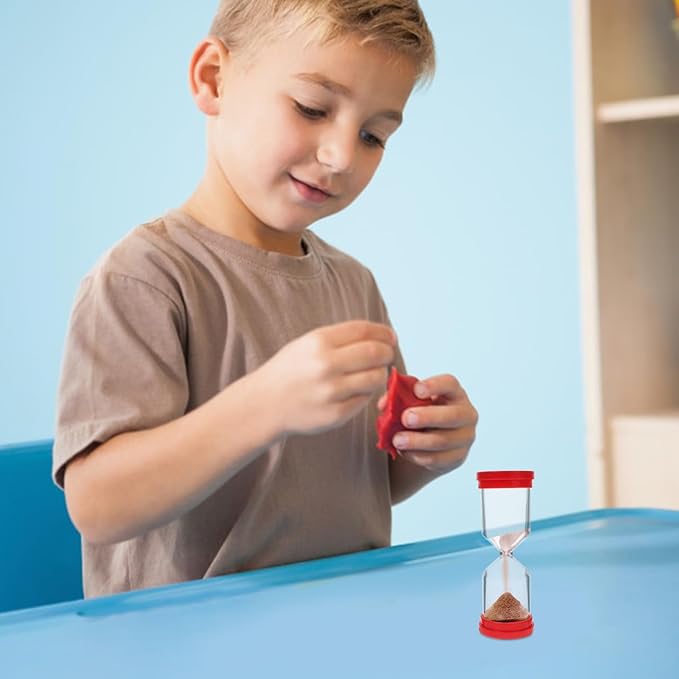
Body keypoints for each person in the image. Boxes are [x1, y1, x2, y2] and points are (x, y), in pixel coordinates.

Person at [53, 0, 478, 598]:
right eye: (311, 108)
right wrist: (264, 406)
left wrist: (423, 451)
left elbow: (367, 481)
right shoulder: (144, 278)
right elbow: (98, 506)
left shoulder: (353, 284)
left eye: (372, 136)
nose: (341, 157)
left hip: (346, 615)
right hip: (189, 636)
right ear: (213, 79)